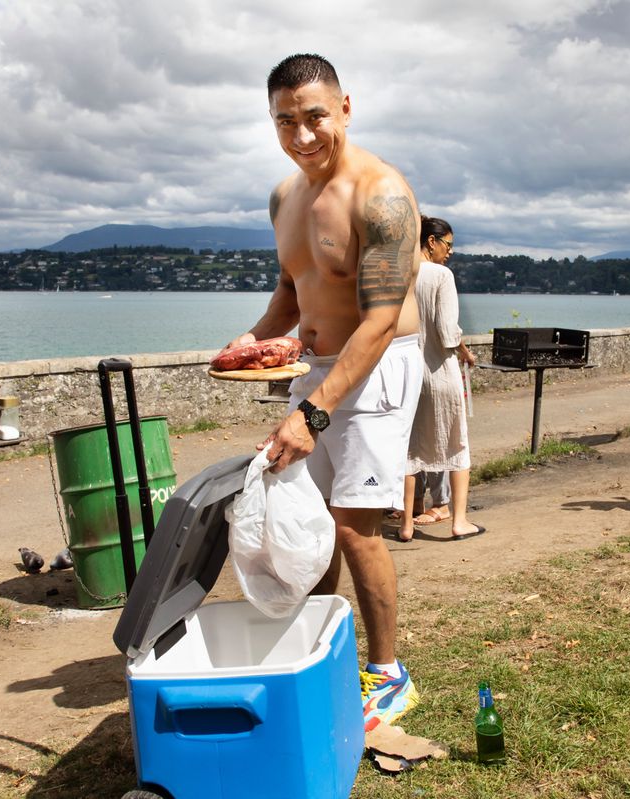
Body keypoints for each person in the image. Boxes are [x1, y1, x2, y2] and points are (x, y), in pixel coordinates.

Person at [221, 54, 423, 731]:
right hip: (318, 367)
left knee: (354, 525)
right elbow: (291, 292)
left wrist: (312, 411)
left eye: (314, 117)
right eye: (285, 121)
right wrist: (250, 343)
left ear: (344, 108)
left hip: (380, 361)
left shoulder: (382, 193)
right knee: (307, 517)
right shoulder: (285, 197)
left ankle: (389, 675)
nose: (302, 135)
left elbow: (382, 316)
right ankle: (321, 652)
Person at [395, 216, 484, 543]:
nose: (449, 253)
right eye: (447, 245)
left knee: (408, 451)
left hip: (405, 376)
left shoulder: (399, 274)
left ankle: (406, 525)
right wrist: (463, 349)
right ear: (430, 242)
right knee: (457, 446)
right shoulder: (440, 275)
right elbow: (447, 333)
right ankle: (458, 521)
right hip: (438, 374)